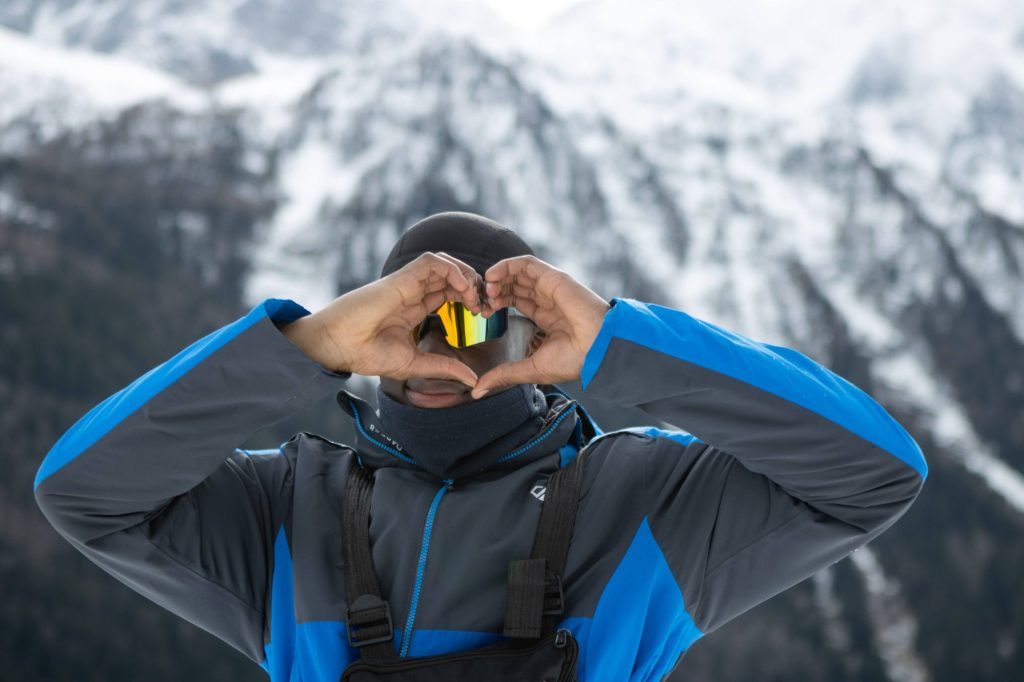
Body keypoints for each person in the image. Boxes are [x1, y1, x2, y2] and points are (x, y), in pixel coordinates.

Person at [33, 211, 927, 681]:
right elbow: (81, 492)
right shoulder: (286, 508)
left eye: (474, 323)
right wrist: (304, 351)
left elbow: (876, 473)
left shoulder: (646, 501)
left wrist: (622, 345)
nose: (441, 348)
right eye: (416, 316)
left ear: (530, 339)